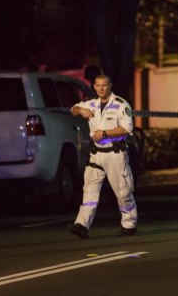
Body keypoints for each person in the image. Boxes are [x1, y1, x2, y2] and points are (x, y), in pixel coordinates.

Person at [67, 74, 138, 238]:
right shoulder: (91, 104)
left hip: (115, 154)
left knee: (123, 192)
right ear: (94, 86)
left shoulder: (120, 104)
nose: (101, 88)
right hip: (96, 155)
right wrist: (81, 110)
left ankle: (129, 224)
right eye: (98, 85)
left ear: (110, 86)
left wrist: (104, 133)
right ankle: (82, 224)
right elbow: (73, 109)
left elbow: (127, 129)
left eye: (104, 85)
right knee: (89, 190)